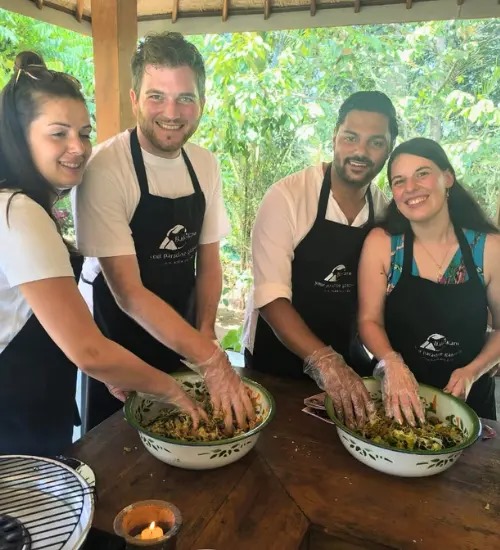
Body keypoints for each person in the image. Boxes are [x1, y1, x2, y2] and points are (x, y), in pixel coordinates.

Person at [0, 51, 210, 457]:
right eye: (58, 134)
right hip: (14, 411)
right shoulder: (19, 214)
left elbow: (60, 326)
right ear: (20, 136)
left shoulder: (21, 206)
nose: (78, 148)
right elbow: (90, 349)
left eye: (84, 132)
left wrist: (115, 369)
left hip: (36, 396)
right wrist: (172, 389)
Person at [73, 32, 254, 431]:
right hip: (121, 352)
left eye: (185, 98)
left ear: (201, 105)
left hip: (185, 340)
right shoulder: (106, 169)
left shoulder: (205, 164)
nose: (171, 112)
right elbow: (129, 293)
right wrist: (211, 358)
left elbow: (208, 262)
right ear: (135, 98)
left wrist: (204, 335)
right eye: (157, 96)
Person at [243, 91, 399, 428]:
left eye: (375, 142)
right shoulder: (287, 198)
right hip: (277, 357)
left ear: (388, 150)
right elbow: (271, 299)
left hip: (346, 355)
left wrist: (386, 361)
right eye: (350, 138)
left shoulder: (383, 210)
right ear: (334, 137)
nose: (360, 151)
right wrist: (324, 361)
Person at [358, 137, 499, 423]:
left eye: (422, 173)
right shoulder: (383, 244)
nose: (411, 188)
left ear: (447, 177)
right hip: (395, 398)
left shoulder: (489, 248)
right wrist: (393, 364)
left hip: (470, 403)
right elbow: (368, 321)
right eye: (399, 181)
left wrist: (472, 371)